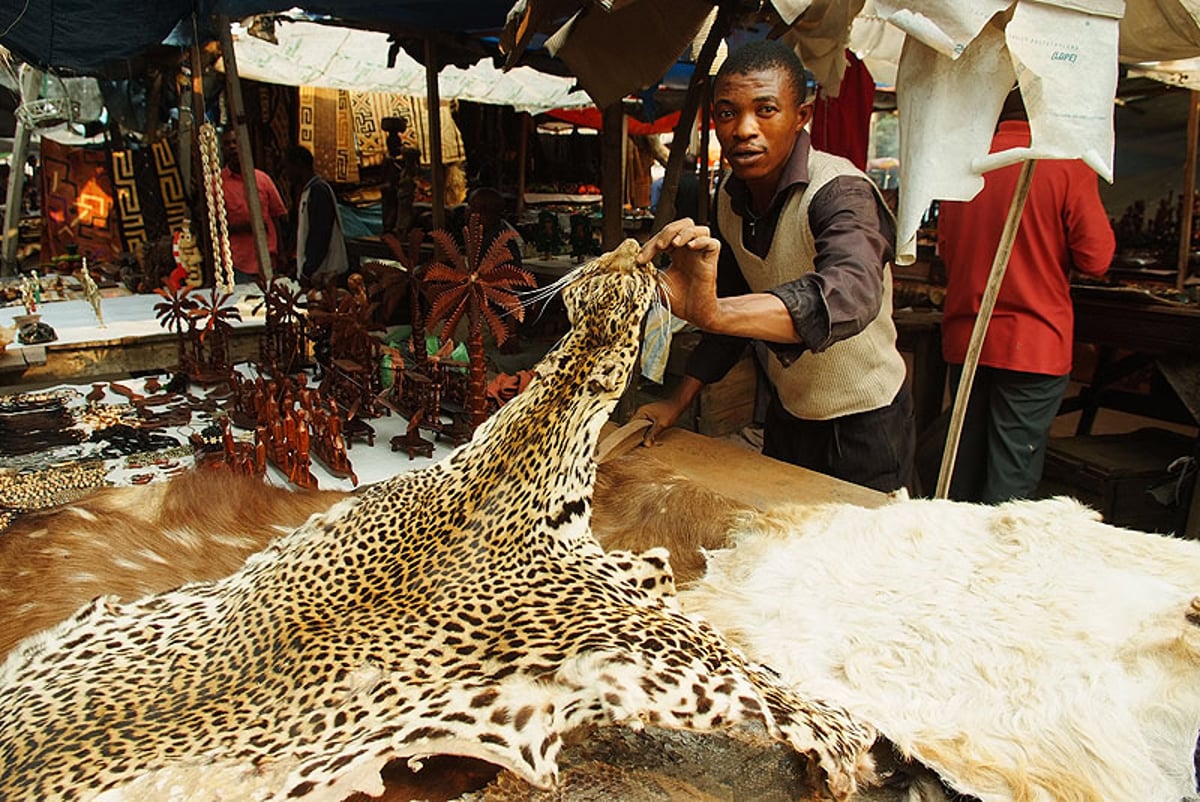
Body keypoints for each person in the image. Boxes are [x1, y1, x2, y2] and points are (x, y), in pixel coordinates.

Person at [634, 39, 914, 494]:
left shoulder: (841, 192)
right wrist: (676, 402)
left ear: (801, 116)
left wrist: (717, 312)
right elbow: (724, 312)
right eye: (727, 113)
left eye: (765, 110)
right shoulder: (729, 198)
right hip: (789, 416)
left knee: (864, 557)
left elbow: (848, 294)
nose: (744, 129)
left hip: (866, 422)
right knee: (782, 546)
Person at [936, 89, 1115, 504]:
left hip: (967, 338)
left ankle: (951, 560)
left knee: (959, 470)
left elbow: (945, 248)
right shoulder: (1065, 164)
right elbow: (1097, 258)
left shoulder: (966, 165)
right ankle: (998, 565)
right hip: (1033, 344)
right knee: (1010, 480)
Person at [221, 128, 288, 282]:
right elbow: (213, 225)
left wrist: (282, 253)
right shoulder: (217, 184)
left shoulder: (263, 179)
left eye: (235, 142)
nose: (232, 147)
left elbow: (277, 217)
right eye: (227, 144)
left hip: (267, 261)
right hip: (236, 264)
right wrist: (244, 227)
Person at [284, 145, 349, 287]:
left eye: (288, 167)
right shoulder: (308, 191)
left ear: (299, 164)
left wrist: (307, 271)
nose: (287, 173)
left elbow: (320, 236)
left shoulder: (318, 191)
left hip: (325, 274)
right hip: (317, 274)